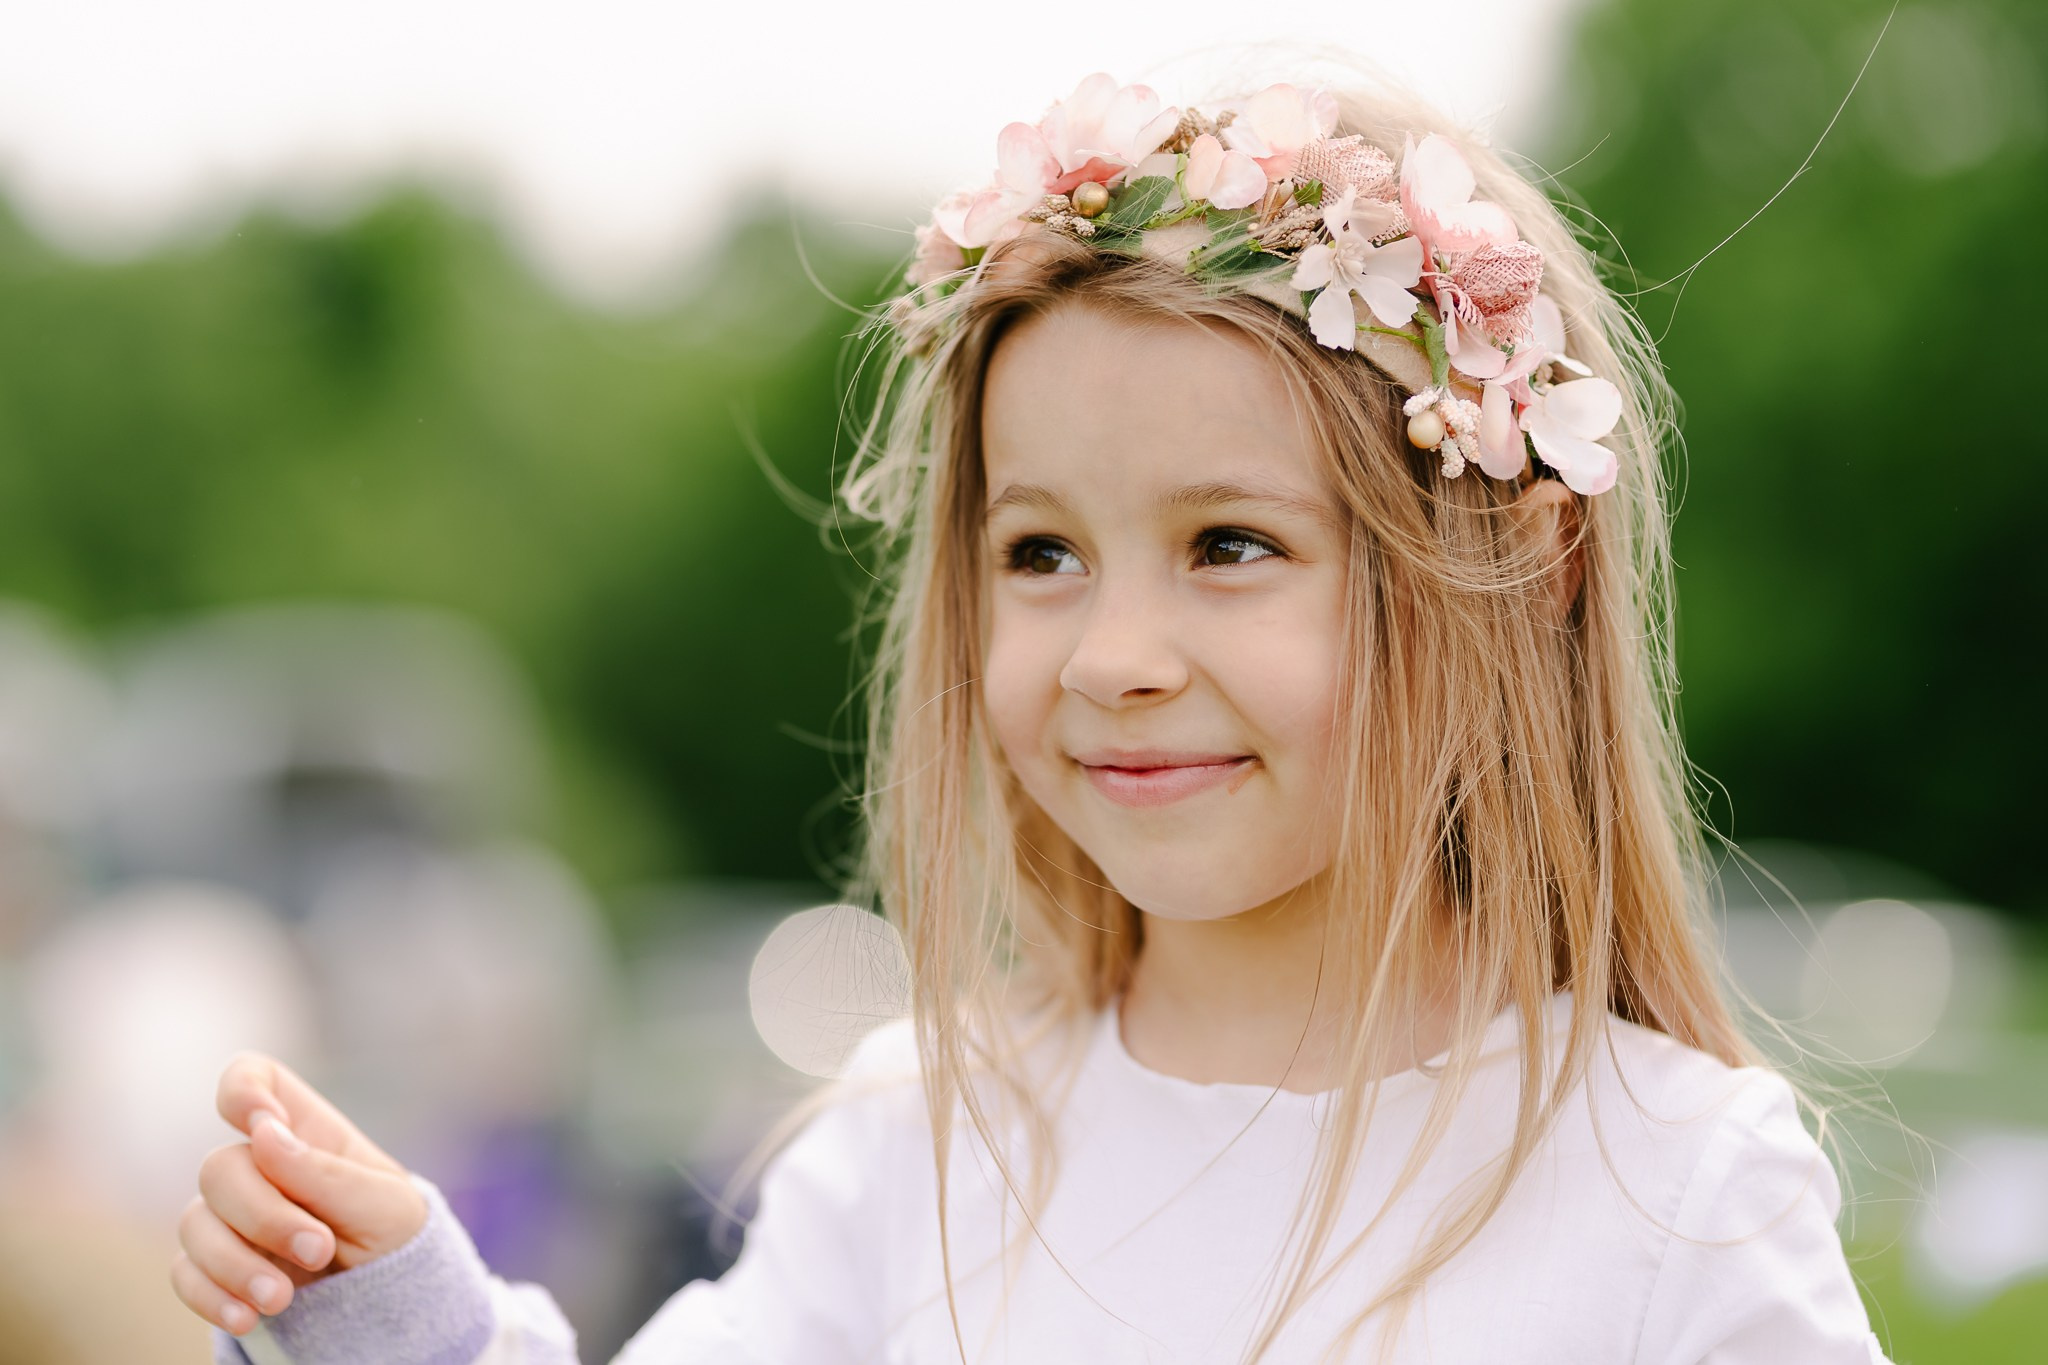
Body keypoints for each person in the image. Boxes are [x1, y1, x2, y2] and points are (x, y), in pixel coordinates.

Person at [170, 66, 1897, 1364]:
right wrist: (392, 1302)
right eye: (1044, 552)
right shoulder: (915, 1149)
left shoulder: (1670, 1184)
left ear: (1502, 569)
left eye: (1231, 544)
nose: (1111, 652)